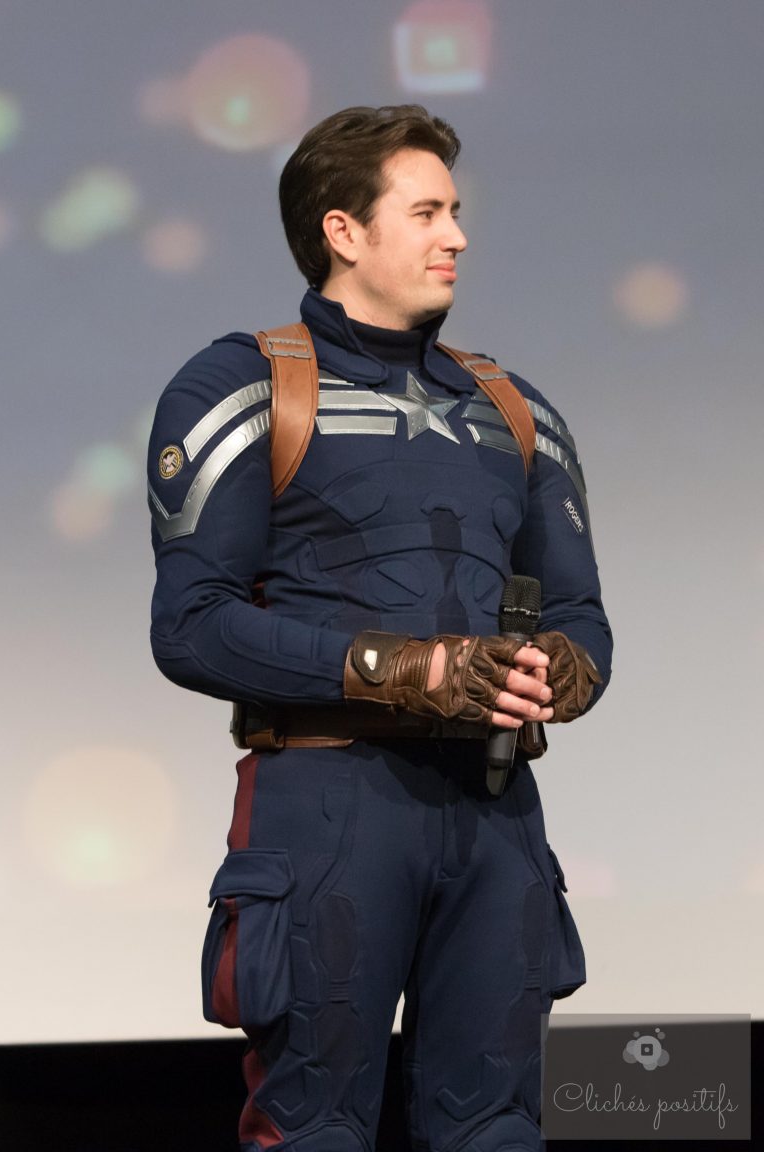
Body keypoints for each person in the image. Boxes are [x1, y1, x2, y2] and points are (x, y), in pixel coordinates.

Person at [148, 105, 612, 1152]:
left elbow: (580, 611)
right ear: (343, 231)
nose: (458, 236)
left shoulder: (517, 409)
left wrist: (566, 667)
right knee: (313, 1132)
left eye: (456, 211)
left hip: (497, 817)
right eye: (428, 212)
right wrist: (407, 669)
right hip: (325, 813)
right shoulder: (241, 386)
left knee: (498, 1130)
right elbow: (191, 628)